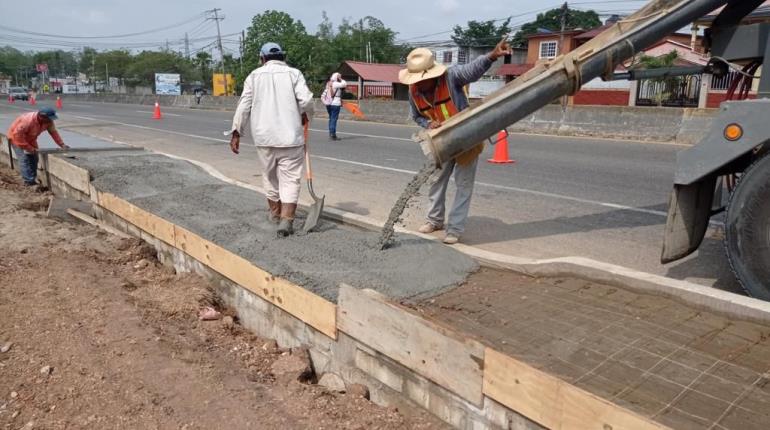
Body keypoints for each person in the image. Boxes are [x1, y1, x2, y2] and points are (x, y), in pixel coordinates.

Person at [399, 38, 511, 245]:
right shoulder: (413, 92)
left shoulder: (451, 77)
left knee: (463, 184)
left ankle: (455, 229)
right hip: (441, 142)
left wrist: (492, 56)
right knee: (436, 181)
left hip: (465, 138)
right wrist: (427, 123)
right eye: (414, 80)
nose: (418, 83)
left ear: (431, 74)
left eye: (421, 79)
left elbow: (472, 71)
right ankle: (434, 220)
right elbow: (417, 116)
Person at [229, 42, 314, 237]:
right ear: (283, 57)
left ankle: (275, 215)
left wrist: (236, 132)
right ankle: (287, 220)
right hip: (290, 137)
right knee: (290, 179)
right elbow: (307, 100)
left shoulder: (254, 76)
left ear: (262, 59)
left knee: (269, 177)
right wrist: (305, 114)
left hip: (264, 137)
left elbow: (244, 106)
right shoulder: (294, 74)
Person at [7, 107, 69, 187]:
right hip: (17, 139)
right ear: (41, 117)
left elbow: (53, 132)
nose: (51, 121)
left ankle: (32, 178)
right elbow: (17, 136)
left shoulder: (48, 122)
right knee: (24, 159)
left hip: (31, 139)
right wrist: (29, 148)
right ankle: (29, 182)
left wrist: (62, 144)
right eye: (49, 119)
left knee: (34, 158)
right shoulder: (27, 121)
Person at [322, 72, 346, 140]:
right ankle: (333, 134)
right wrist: (340, 79)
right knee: (334, 119)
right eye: (339, 76)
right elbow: (344, 84)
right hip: (335, 103)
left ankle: (330, 133)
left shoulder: (328, 83)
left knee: (331, 118)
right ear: (336, 77)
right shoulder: (335, 83)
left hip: (328, 103)